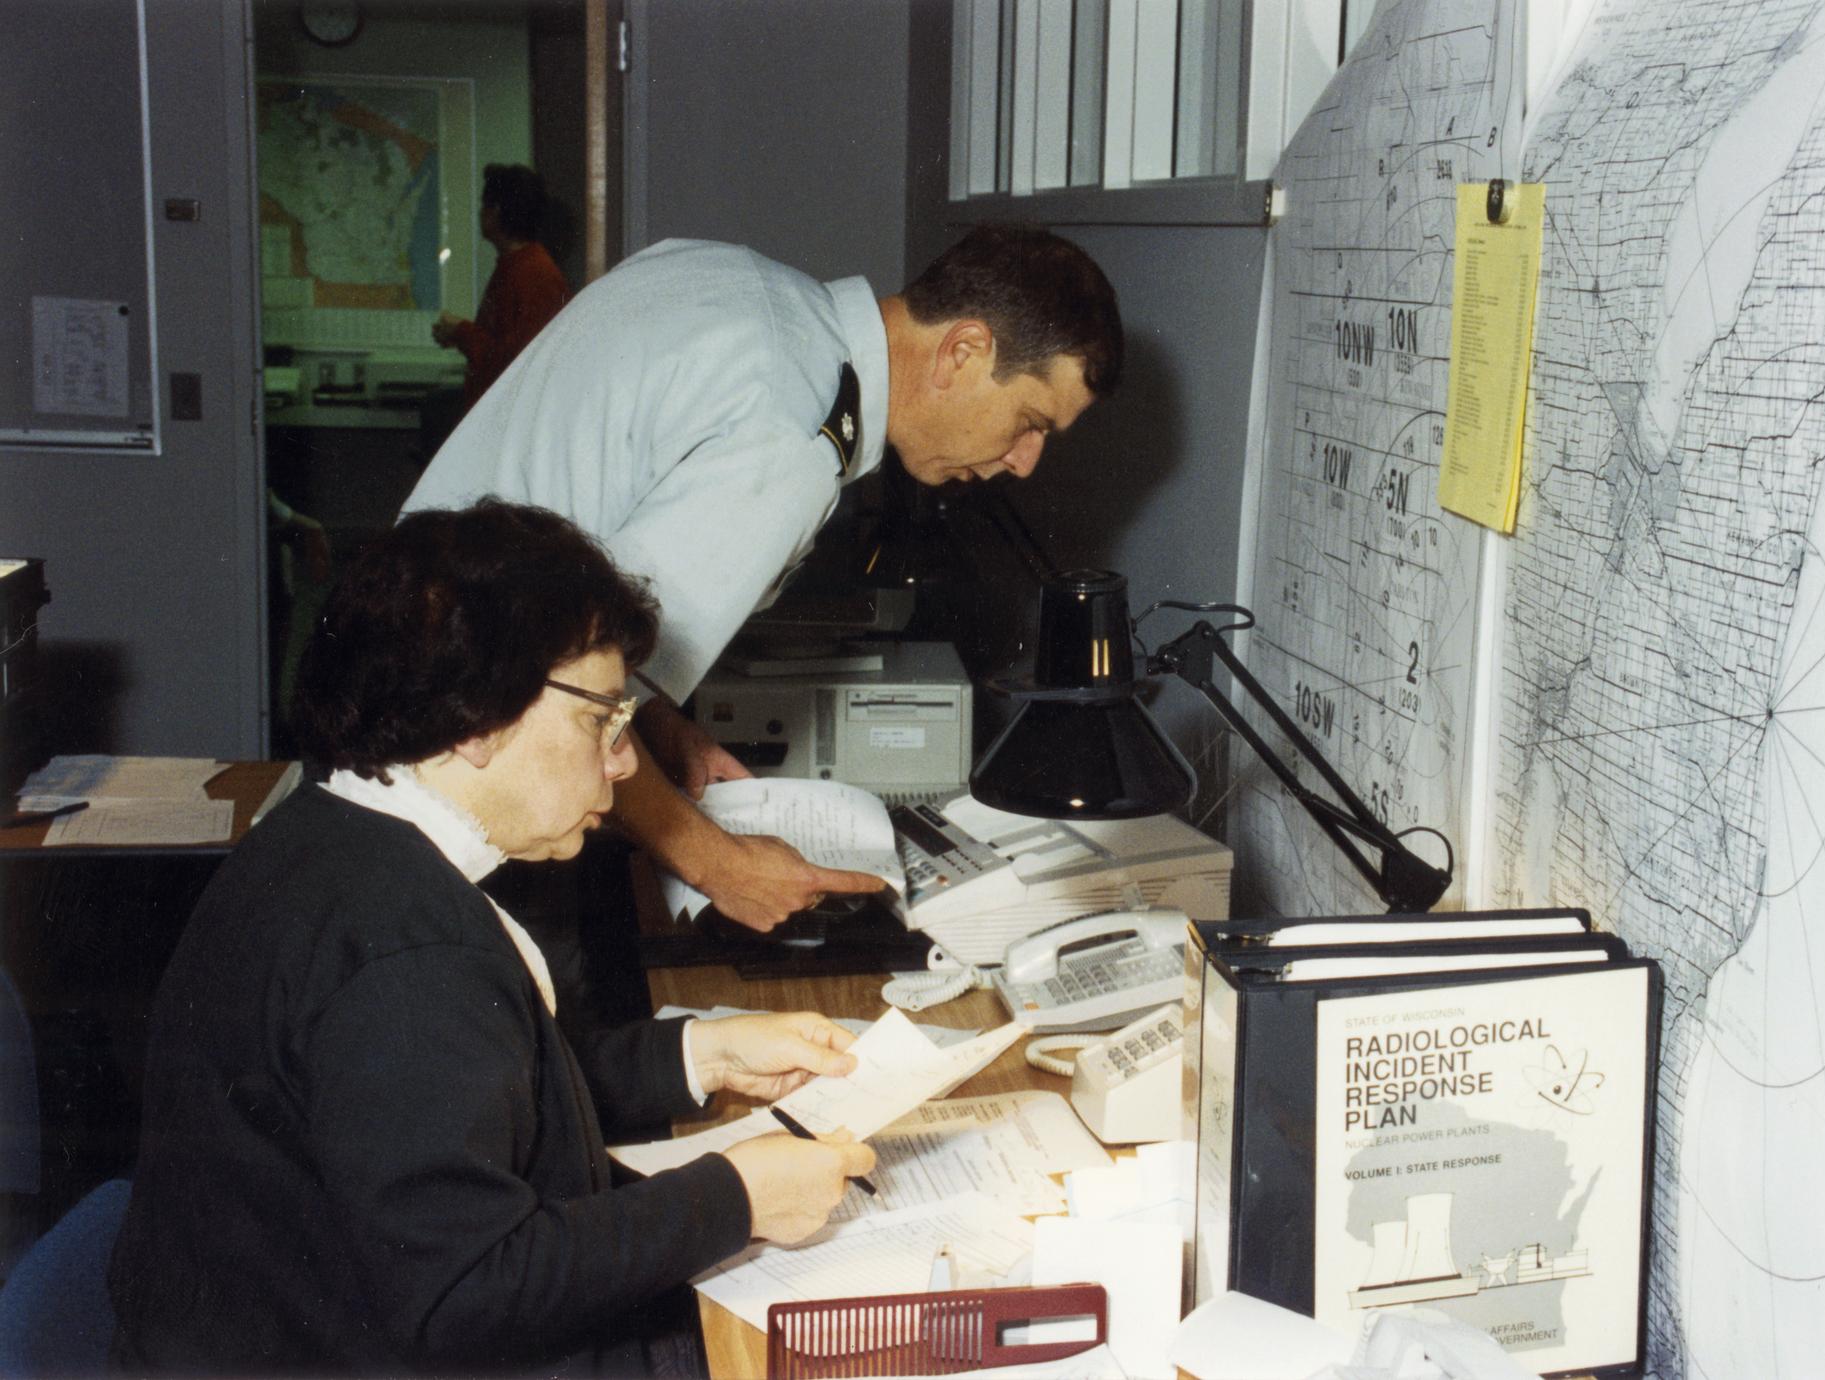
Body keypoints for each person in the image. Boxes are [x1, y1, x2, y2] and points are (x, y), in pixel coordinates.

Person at [107, 500, 876, 1375]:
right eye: (600, 722)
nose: (624, 766)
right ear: (476, 717)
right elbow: (463, 1287)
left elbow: (461, 1105)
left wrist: (699, 1057)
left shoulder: (327, 837)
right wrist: (738, 1201)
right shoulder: (412, 955)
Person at [403, 225, 1123, 930]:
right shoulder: (793, 437)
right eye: (1032, 420)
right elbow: (575, 700)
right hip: (457, 766)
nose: (1026, 461)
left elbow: (597, 557)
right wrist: (722, 867)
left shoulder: (736, 280)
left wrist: (660, 718)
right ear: (963, 351)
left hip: (402, 666)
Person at [431, 164, 573, 412]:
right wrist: (458, 334)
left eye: (484, 205)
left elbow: (515, 365)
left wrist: (461, 331)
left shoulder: (535, 275)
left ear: (495, 212)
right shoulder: (516, 266)